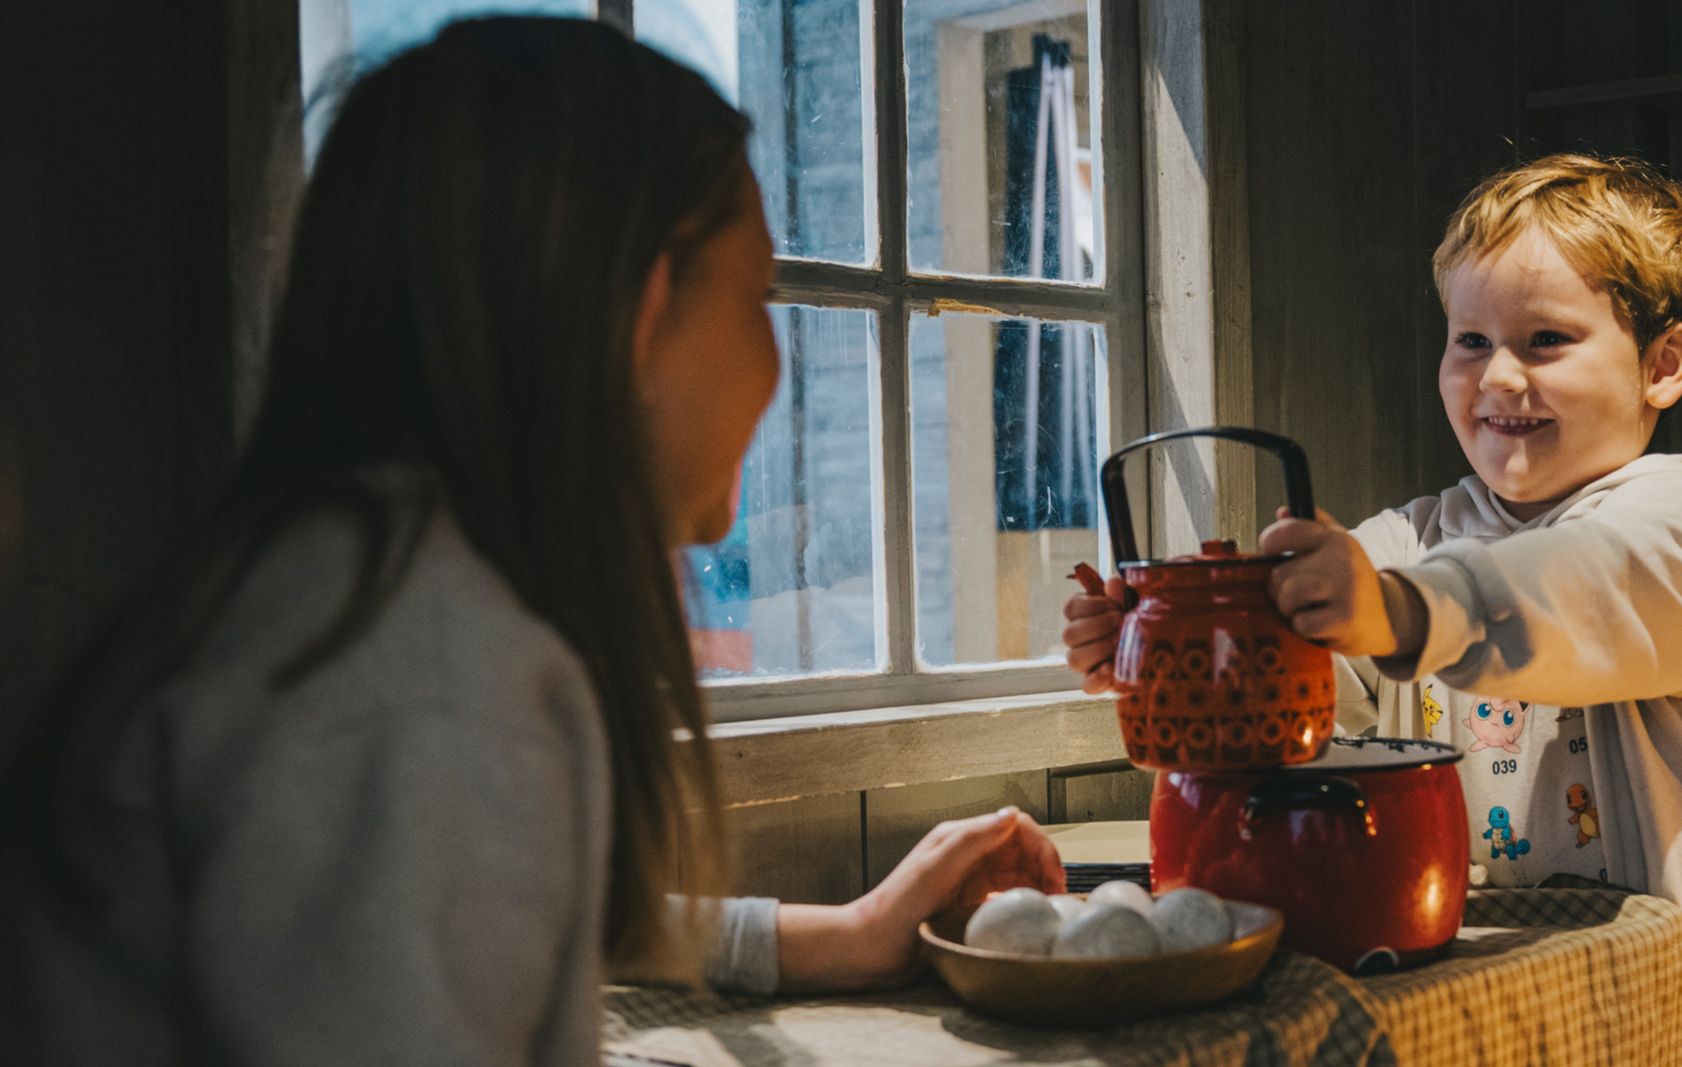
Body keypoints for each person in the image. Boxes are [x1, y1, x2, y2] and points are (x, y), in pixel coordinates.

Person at [2, 17, 1060, 1065]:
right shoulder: (425, 684)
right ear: (644, 308)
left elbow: (535, 910)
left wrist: (838, 934)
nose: (776, 365)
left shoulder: (349, 595)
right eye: (755, 297)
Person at [1063, 153, 1682, 1063]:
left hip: (1663, 1020)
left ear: (1663, 365)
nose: (1499, 378)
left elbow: (1580, 585)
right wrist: (1170, 650)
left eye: (1545, 340)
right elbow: (1311, 677)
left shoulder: (1680, 517)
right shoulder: (1413, 533)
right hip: (1493, 1001)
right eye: (1470, 340)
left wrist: (1398, 610)